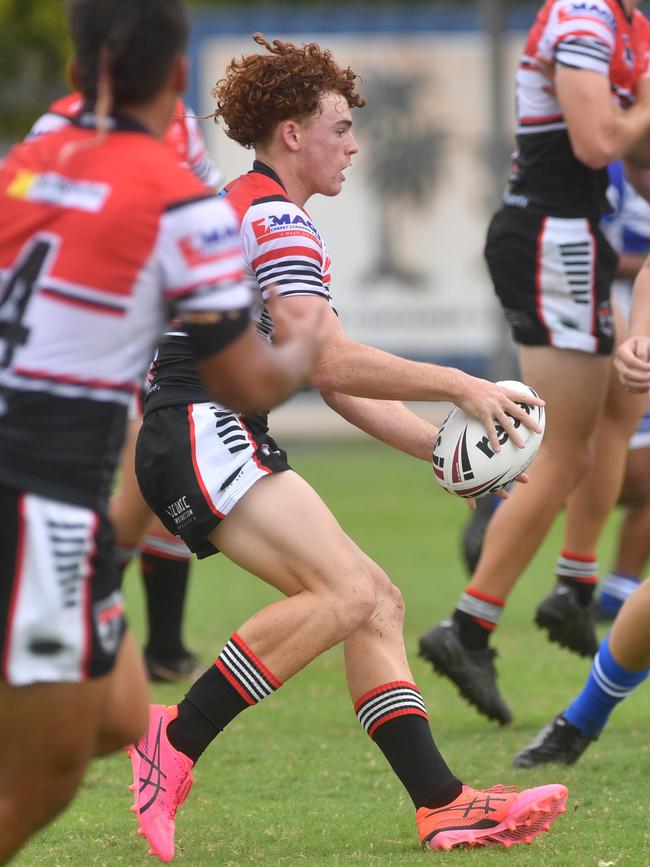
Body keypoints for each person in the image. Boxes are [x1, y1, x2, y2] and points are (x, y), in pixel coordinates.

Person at [126, 34, 567, 863]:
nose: (354, 144)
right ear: (291, 132)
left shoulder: (254, 208)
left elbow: (334, 381)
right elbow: (330, 362)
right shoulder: (277, 218)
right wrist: (463, 386)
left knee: (375, 597)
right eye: (338, 126)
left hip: (205, 427)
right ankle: (173, 740)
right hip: (199, 422)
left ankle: (442, 805)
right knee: (343, 593)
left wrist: (445, 455)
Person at [0, 0, 325, 861]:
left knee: (114, 716)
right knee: (48, 771)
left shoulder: (27, 162)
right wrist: (302, 348)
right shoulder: (180, 204)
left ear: (77, 72)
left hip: (63, 502)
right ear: (176, 79)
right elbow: (245, 380)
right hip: (35, 498)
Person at [419, 0, 650, 726]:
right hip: (554, 236)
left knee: (619, 403)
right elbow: (597, 139)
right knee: (559, 451)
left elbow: (633, 160)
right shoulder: (584, 14)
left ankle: (574, 586)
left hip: (571, 236)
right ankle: (469, 626)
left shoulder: (627, 23)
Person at [27, 90, 223, 681]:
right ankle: (73, 614)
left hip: (142, 326)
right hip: (69, 335)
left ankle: (155, 643)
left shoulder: (178, 125)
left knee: (150, 472)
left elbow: (208, 202)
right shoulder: (58, 129)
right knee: (99, 479)